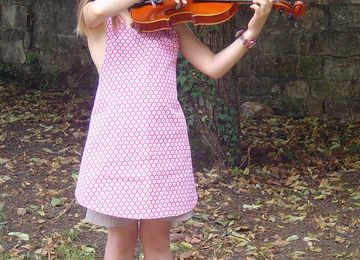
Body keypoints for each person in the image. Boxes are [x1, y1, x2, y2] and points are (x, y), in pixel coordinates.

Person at [74, 0, 273, 259]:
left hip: (164, 142)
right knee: (120, 241)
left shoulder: (168, 19)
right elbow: (98, 10)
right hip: (118, 143)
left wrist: (251, 34)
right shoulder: (99, 16)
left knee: (157, 241)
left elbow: (213, 66)